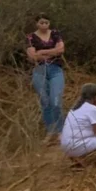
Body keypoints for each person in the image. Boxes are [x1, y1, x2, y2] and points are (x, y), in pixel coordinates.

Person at [26, 13, 66, 144]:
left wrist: (42, 52)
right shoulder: (31, 37)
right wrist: (51, 52)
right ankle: (51, 131)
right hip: (39, 70)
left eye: (46, 22)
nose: (44, 25)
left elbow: (61, 50)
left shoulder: (55, 34)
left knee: (56, 100)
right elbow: (32, 56)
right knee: (45, 101)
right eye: (41, 22)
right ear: (37, 23)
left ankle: (60, 131)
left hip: (55, 69)